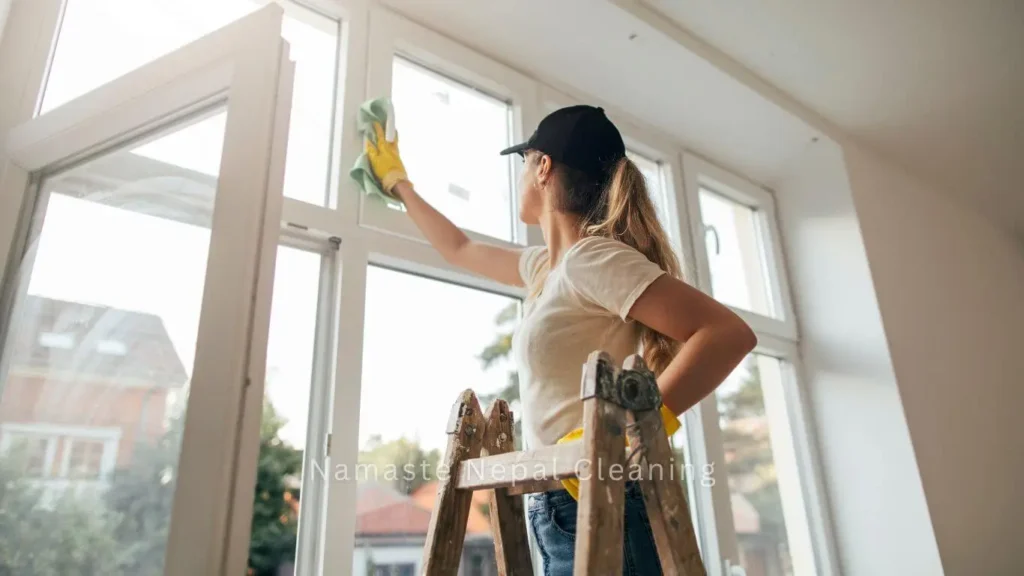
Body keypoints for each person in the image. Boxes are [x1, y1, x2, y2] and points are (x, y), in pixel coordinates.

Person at [365, 104, 756, 575]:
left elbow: (727, 334)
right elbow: (459, 249)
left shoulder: (593, 259)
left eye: (523, 163)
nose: (520, 177)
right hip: (559, 504)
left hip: (603, 499)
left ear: (542, 166)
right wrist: (397, 183)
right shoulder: (545, 269)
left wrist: (634, 430)